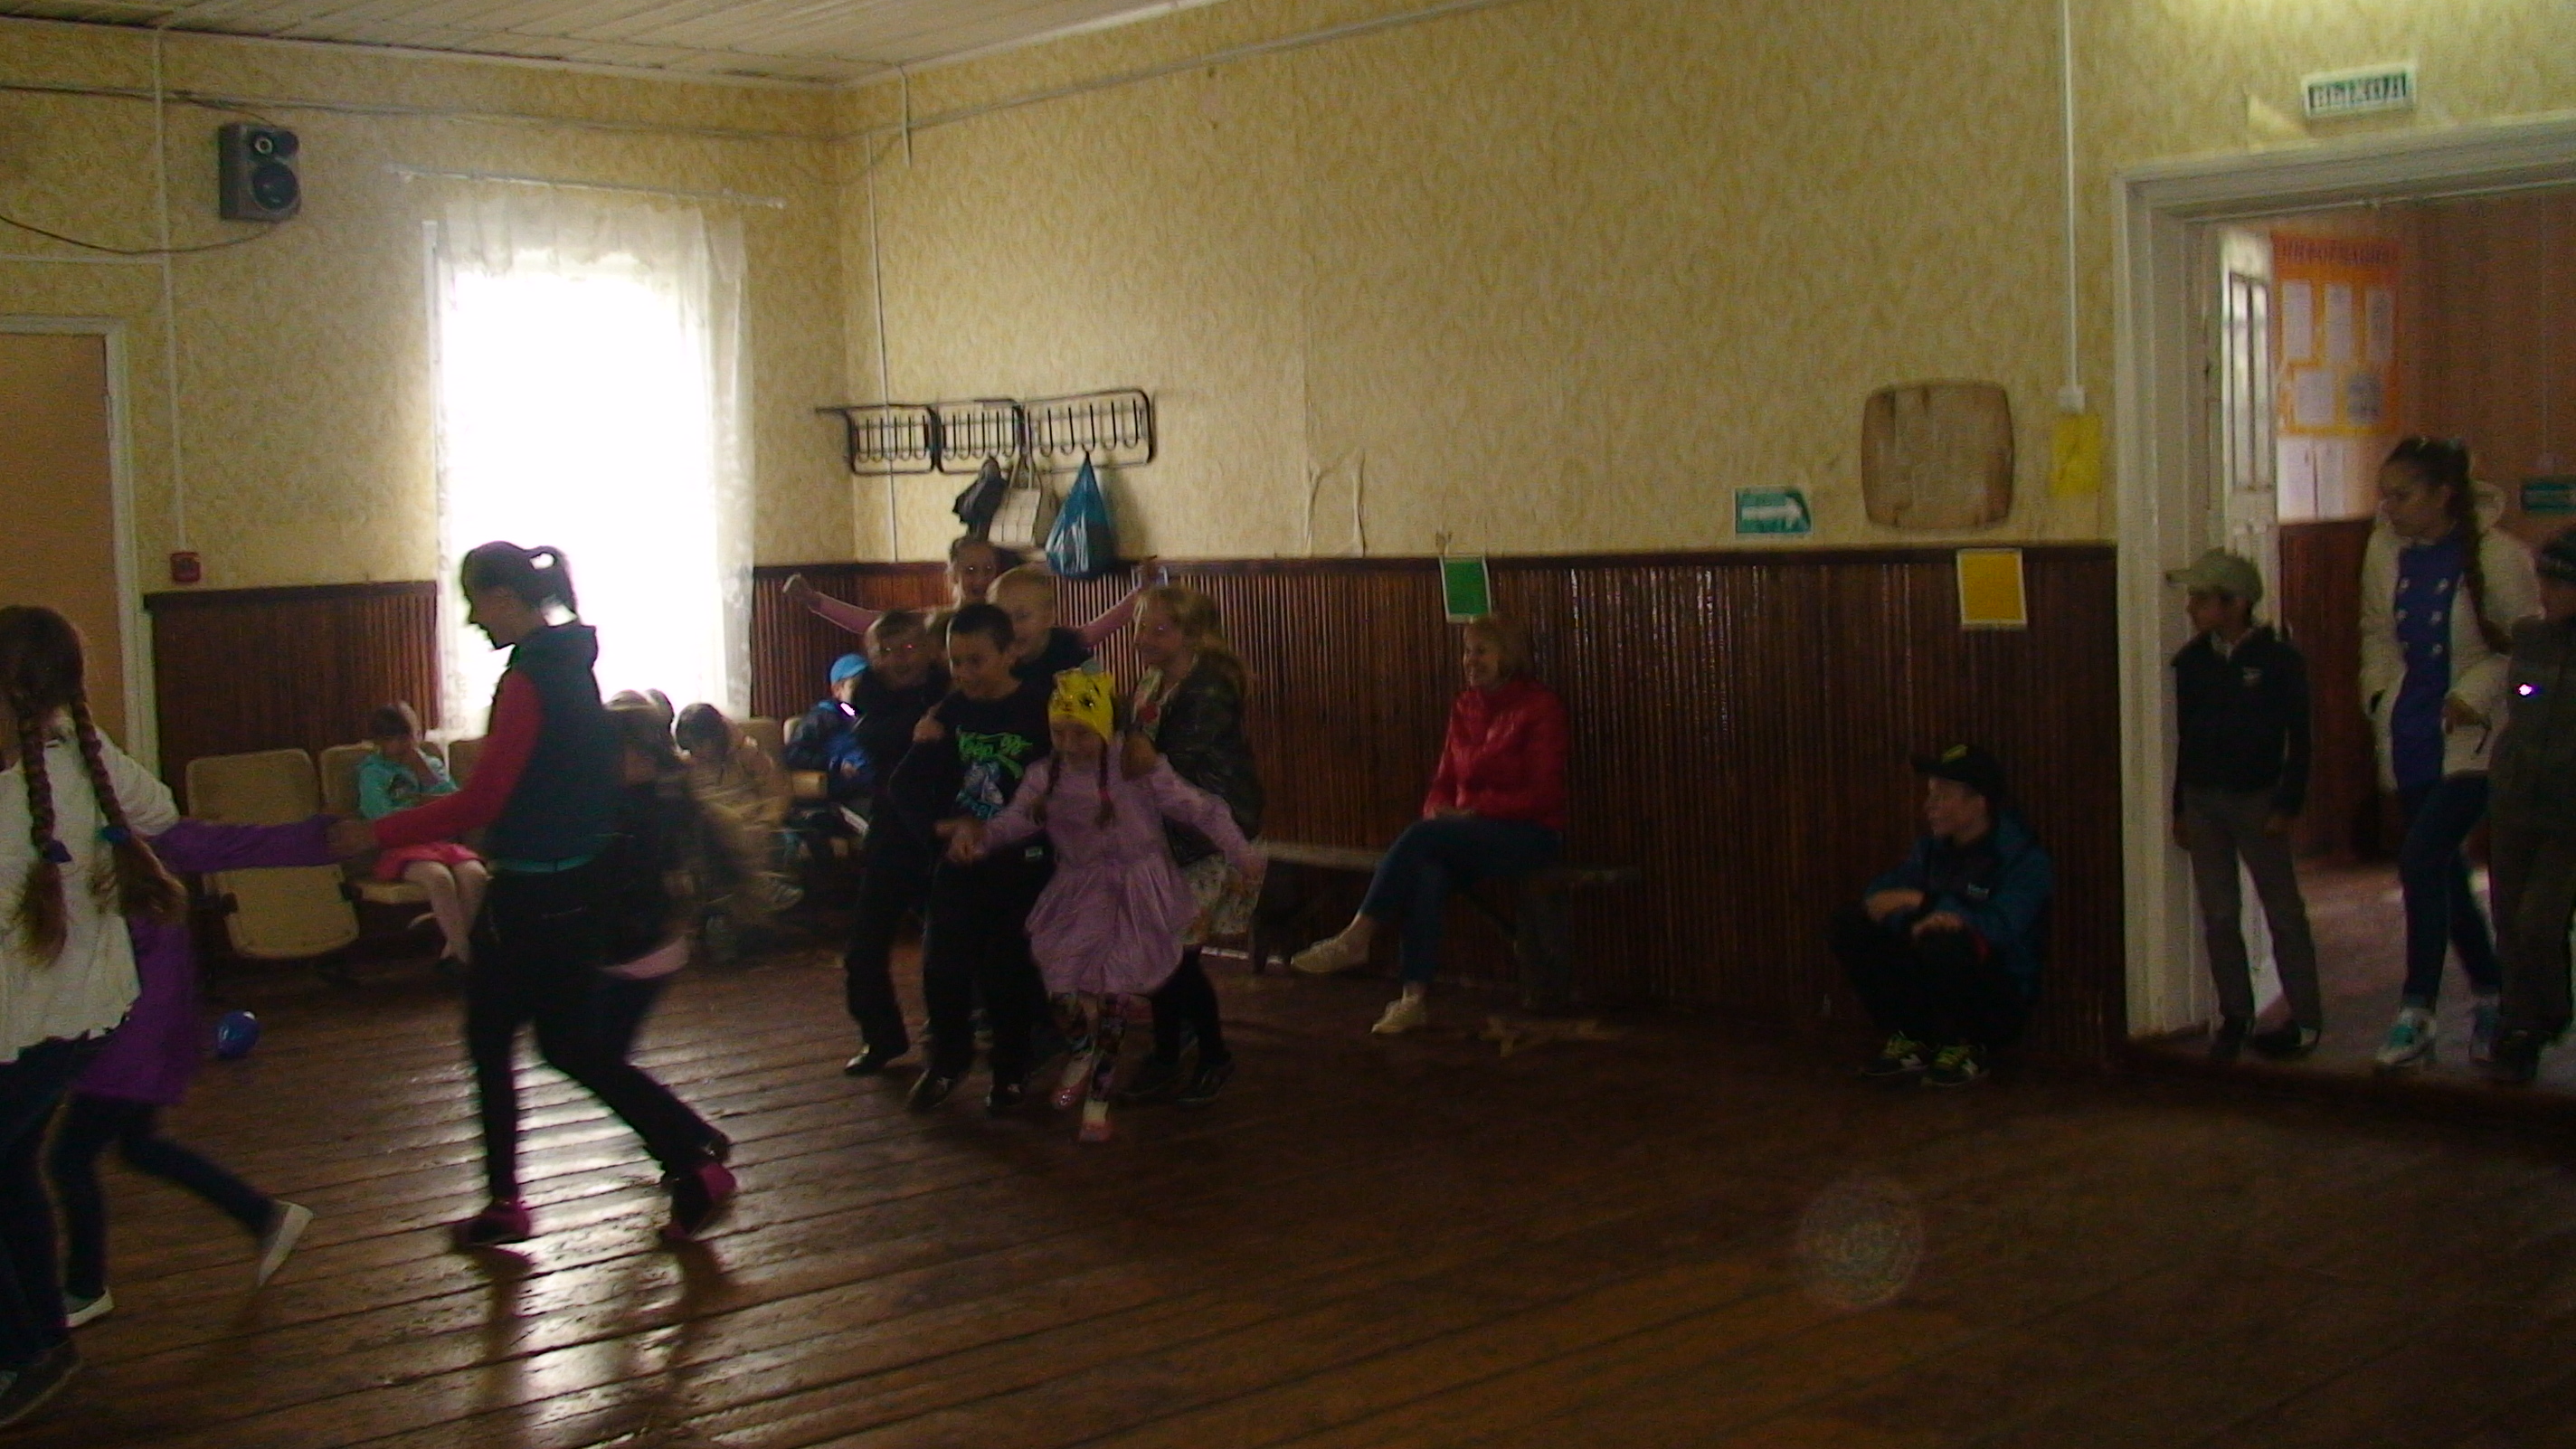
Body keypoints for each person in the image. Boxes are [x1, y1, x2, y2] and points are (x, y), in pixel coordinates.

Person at [368, 543, 735, 1249]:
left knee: (500, 1040)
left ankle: (513, 1201)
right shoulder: (574, 667)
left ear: (505, 598)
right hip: (574, 891)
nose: (474, 619)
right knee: (566, 1045)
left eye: (477, 602)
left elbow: (483, 799)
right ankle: (689, 1157)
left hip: (532, 896)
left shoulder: (530, 679)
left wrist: (378, 831)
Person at [0, 605, 188, 1425]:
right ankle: (46, 1340)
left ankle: (22, 1355)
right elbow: (161, 811)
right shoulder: (82, 752)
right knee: (11, 1171)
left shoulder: (17, 790)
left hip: (36, 1026)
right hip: (83, 1016)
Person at [51, 814, 343, 1329]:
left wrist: (336, 836)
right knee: (138, 1145)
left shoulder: (113, 848)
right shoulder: (122, 841)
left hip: (129, 1040)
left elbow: (238, 842)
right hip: (143, 1033)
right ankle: (262, 1215)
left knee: (70, 1159)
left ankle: (85, 1285)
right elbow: (236, 842)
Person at [946, 673, 1259, 1142]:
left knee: (1115, 993)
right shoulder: (1046, 774)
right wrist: (981, 840)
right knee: (1060, 982)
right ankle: (1081, 1048)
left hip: (1139, 889)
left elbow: (1200, 808)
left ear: (1106, 729)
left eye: (1081, 734)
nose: (1069, 745)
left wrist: (1241, 852)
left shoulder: (1134, 767)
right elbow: (1014, 821)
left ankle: (1099, 1098)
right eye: (1059, 733)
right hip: (1082, 889)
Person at [1289, 614, 1567, 1037]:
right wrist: (1438, 808)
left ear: (1508, 655)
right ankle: (1412, 999)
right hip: (1464, 833)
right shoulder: (1465, 706)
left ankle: (1357, 937)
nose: (1470, 661)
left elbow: (1544, 794)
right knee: (1428, 869)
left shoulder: (1540, 707)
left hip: (1528, 834)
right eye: (1467, 652)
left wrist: (1475, 812)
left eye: (1481, 651)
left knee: (1424, 837)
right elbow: (1443, 780)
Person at [2359, 438, 2540, 1069]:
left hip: (2475, 741)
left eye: (2402, 495)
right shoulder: (2385, 551)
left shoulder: (2500, 557)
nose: (2390, 507)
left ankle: (2417, 1009)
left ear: (2443, 495)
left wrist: (2475, 693)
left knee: (2420, 858)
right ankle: (2492, 993)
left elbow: (2524, 650)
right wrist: (2379, 697)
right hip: (2412, 734)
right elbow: (2376, 635)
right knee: (2443, 872)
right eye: (2384, 495)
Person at [886, 604, 1055, 1113]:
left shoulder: (1040, 712)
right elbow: (905, 786)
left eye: (976, 661)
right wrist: (943, 829)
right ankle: (948, 1058)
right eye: (956, 662)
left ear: (1010, 653)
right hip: (960, 860)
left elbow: (1064, 785)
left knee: (1009, 970)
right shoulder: (950, 713)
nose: (964, 673)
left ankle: (1012, 1067)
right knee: (942, 965)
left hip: (1021, 863)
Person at [2164, 550, 2321, 1061]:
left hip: (2258, 798)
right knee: (2218, 912)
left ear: (2235, 604)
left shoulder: (2278, 661)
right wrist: (2180, 806)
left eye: (2202, 599)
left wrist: (2287, 802)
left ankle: (2305, 1017)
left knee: (2283, 910)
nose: (2191, 607)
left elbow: (2300, 738)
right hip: (2204, 797)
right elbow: (2187, 740)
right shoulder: (2192, 663)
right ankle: (2236, 1013)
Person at [1117, 585, 1264, 1108]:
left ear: (1193, 635)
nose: (1144, 638)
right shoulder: (1155, 681)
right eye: (1141, 627)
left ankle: (1211, 1055)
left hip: (1207, 837)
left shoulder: (1208, 691)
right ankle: (1167, 1052)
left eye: (1160, 630)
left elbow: (1169, 762)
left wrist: (1132, 751)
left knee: (1174, 956)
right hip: (1167, 834)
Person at [1833, 746, 2053, 1087]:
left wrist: (1931, 906)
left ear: (1979, 802)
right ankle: (1913, 1036)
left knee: (1947, 942)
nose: (1929, 806)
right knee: (1850, 923)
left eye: (1942, 796)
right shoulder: (1931, 850)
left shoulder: (2023, 859)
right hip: (1931, 974)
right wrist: (1914, 920)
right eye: (1930, 795)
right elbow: (1880, 895)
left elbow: (2003, 928)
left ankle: (1969, 1044)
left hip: (1999, 991)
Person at [837, 610, 951, 1076]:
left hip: (942, 830)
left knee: (948, 947)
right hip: (893, 833)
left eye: (909, 647)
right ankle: (881, 1038)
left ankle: (952, 1036)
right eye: (887, 651)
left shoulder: (950, 692)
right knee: (864, 947)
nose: (900, 659)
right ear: (872, 659)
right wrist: (916, 729)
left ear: (928, 650)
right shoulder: (869, 701)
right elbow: (878, 738)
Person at [2485, 531, 2576, 1084]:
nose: (2546, 592)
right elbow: (2520, 705)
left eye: (2559, 583)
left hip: (2569, 814)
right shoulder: (2531, 639)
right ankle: (2520, 1024)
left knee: (2540, 922)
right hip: (2517, 799)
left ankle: (2552, 1010)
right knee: (2508, 919)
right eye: (2544, 580)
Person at [778, 536, 1154, 652]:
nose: (980, 579)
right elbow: (875, 624)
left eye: (988, 570)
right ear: (952, 575)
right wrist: (816, 601)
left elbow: (1087, 634)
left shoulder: (1016, 623)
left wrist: (1140, 592)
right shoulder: (937, 620)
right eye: (970, 571)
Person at [355, 702, 488, 971]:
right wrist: (424, 807)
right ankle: (466, 959)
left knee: (475, 876)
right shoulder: (373, 772)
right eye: (393, 739)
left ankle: (453, 953)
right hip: (403, 846)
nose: (403, 745)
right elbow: (380, 815)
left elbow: (455, 804)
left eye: (408, 737)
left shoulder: (431, 764)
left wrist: (424, 773)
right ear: (379, 742)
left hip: (442, 842)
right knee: (439, 879)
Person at [783, 654, 874, 809]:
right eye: (857, 685)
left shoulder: (868, 715)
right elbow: (793, 755)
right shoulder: (822, 717)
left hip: (878, 788)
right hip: (845, 796)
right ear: (837, 690)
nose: (866, 691)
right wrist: (834, 764)